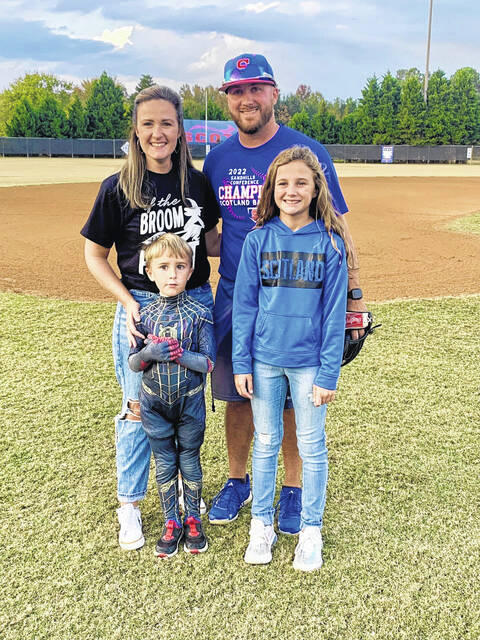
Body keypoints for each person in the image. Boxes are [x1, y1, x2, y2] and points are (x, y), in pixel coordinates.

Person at [204, 53, 366, 533]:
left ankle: (293, 490)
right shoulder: (217, 158)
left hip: (296, 293)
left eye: (256, 89)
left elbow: (338, 228)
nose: (246, 98)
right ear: (227, 100)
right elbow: (214, 232)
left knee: (295, 399)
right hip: (235, 292)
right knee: (238, 392)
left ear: (274, 93)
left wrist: (355, 295)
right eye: (237, 91)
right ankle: (239, 480)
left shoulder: (307, 153)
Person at [81, 85, 220, 551]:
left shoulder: (196, 183)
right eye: (148, 124)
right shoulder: (118, 188)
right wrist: (127, 301)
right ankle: (130, 507)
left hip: (195, 302)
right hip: (142, 309)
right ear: (136, 132)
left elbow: (212, 243)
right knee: (139, 408)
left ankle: (181, 494)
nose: (158, 132)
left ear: (180, 130)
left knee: (188, 400)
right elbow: (95, 255)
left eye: (167, 123)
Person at [233, 145, 348, 570]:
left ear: (317, 187)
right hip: (264, 360)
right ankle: (260, 524)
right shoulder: (258, 240)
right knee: (265, 443)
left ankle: (311, 530)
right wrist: (242, 362)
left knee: (311, 446)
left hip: (309, 365)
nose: (292, 190)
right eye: (283, 183)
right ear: (272, 189)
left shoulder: (331, 245)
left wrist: (328, 373)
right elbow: (244, 306)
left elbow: (334, 316)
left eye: (301, 182)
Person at [128, 233, 215, 558]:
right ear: (149, 272)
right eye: (163, 267)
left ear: (190, 270)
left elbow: (207, 362)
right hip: (153, 405)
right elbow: (134, 363)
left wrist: (180, 355)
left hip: (190, 402)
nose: (172, 274)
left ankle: (192, 520)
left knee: (190, 460)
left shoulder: (199, 313)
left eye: (180, 266)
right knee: (164, 463)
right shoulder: (143, 315)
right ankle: (171, 522)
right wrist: (150, 351)